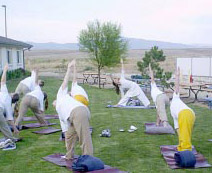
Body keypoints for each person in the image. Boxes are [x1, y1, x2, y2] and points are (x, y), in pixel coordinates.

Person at [53, 60, 93, 160]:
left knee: (84, 137)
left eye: (54, 102)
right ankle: (69, 155)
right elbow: (66, 130)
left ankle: (89, 159)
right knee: (70, 136)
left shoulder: (61, 95)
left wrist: (69, 69)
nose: (53, 104)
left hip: (79, 111)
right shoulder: (60, 111)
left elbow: (65, 82)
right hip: (74, 115)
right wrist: (67, 139)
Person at [170, 67, 195, 151]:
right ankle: (183, 147)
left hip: (184, 113)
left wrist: (177, 76)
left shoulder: (175, 98)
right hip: (191, 113)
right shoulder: (173, 113)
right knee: (185, 135)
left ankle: (185, 151)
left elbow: (176, 87)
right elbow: (177, 129)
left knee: (185, 140)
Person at [0, 64, 19, 150]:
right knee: (4, 126)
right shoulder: (8, 105)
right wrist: (15, 129)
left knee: (3, 125)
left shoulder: (6, 94)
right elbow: (10, 120)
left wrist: (5, 70)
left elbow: (3, 81)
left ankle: (11, 141)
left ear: (12, 96)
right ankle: (11, 140)